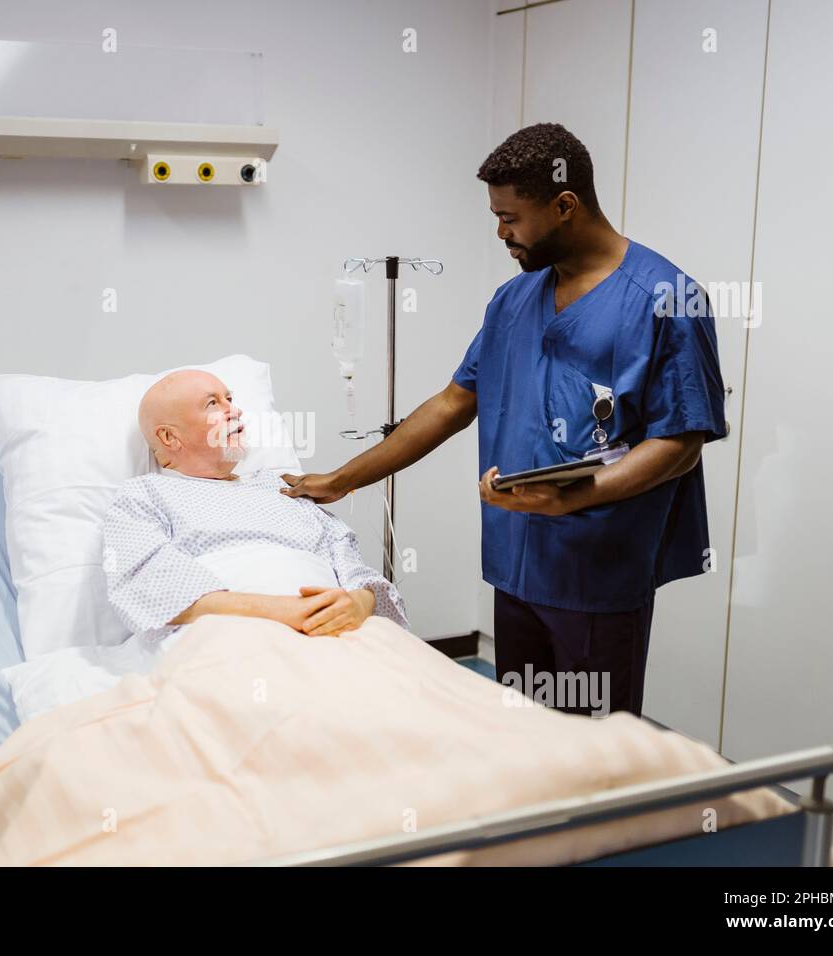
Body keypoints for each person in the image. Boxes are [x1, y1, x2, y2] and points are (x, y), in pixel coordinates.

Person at [281, 123, 726, 717]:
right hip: (517, 562)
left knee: (596, 744)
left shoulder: (665, 298)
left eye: (510, 218)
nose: (501, 233)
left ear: (564, 206)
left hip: (597, 567)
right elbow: (451, 404)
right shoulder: (512, 301)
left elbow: (679, 443)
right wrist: (342, 480)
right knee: (523, 729)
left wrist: (578, 497)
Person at [100, 369, 408, 642]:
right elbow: (149, 584)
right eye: (212, 404)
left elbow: (353, 567)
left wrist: (358, 604)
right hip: (226, 639)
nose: (235, 411)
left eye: (229, 399)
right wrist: (285, 611)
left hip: (339, 631)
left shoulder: (283, 488)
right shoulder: (144, 495)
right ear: (169, 437)